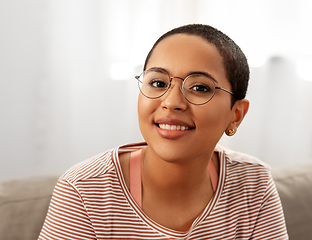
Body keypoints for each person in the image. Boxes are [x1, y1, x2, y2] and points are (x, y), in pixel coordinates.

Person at [38, 24, 288, 239]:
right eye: (158, 83)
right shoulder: (84, 191)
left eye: (199, 88)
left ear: (236, 115)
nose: (171, 102)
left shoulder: (253, 183)